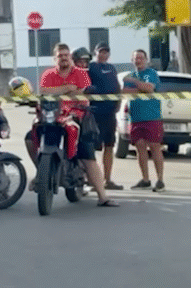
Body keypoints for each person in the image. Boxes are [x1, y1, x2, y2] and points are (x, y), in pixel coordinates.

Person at [31, 42, 118, 207]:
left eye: (66, 55)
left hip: (78, 116)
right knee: (30, 137)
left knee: (87, 154)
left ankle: (102, 196)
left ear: (70, 57)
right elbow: (43, 91)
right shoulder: (48, 74)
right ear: (54, 58)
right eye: (60, 56)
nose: (63, 58)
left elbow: (83, 91)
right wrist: (68, 88)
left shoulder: (80, 73)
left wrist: (59, 90)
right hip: (53, 116)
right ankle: (41, 173)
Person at [122, 49, 165, 192]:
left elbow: (150, 88)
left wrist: (134, 83)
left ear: (146, 59)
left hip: (152, 116)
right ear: (132, 60)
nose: (138, 60)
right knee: (140, 147)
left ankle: (160, 180)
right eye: (135, 58)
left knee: (155, 147)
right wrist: (140, 89)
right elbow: (125, 92)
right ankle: (145, 180)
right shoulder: (130, 74)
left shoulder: (151, 73)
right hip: (136, 117)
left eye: (141, 57)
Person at [87, 42, 123, 190]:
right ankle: (92, 180)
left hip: (110, 113)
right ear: (95, 52)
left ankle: (107, 180)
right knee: (92, 147)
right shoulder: (90, 67)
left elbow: (117, 87)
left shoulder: (111, 68)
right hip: (94, 112)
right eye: (101, 51)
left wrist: (119, 102)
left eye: (106, 52)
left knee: (109, 145)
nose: (103, 54)